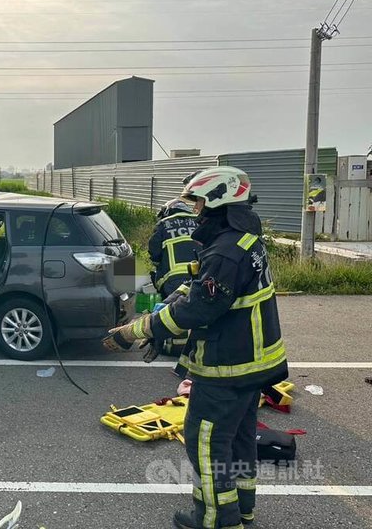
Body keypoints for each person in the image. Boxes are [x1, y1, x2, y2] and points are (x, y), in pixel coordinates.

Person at [104, 166, 288, 529]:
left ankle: (217, 519)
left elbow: (200, 306)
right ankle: (242, 511)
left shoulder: (225, 252)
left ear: (218, 201)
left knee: (205, 443)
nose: (197, 210)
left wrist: (136, 330)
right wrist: (161, 320)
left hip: (227, 367)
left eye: (201, 202)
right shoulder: (244, 239)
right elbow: (200, 287)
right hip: (253, 364)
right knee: (237, 441)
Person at [148, 197, 201, 356]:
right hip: (199, 274)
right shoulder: (200, 221)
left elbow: (154, 251)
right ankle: (198, 347)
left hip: (173, 279)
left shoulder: (164, 224)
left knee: (175, 312)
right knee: (198, 308)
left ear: (167, 211)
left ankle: (175, 348)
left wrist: (158, 265)